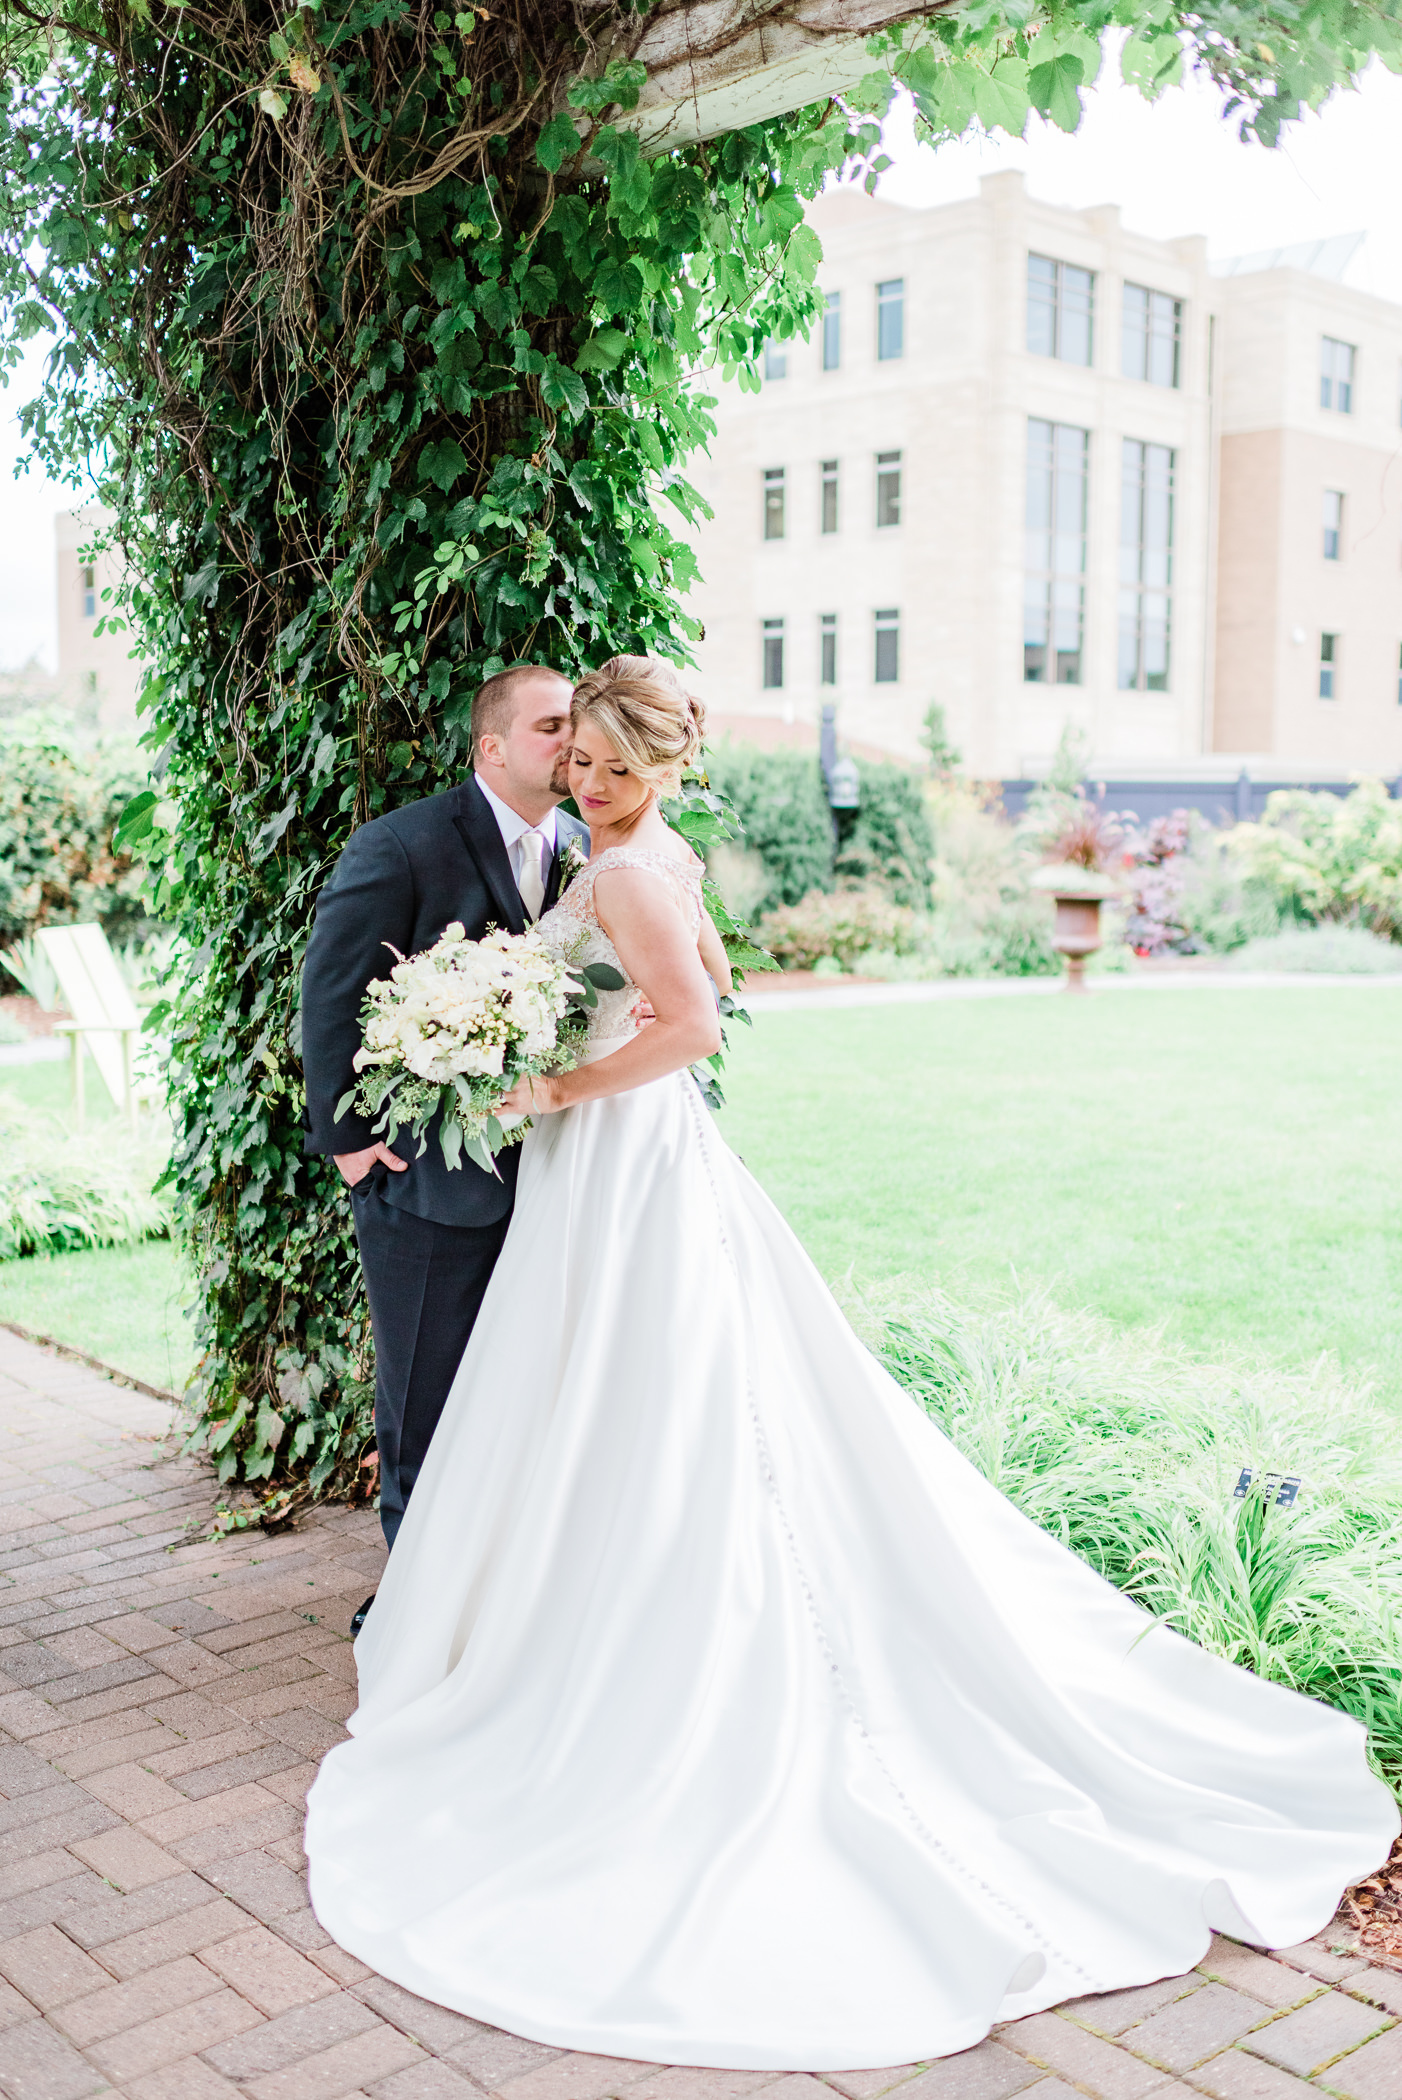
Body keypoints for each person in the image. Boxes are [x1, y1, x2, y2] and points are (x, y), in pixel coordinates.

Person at [304, 656, 1397, 2073]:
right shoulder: (638, 849)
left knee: (650, 1402)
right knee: (615, 1401)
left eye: (609, 770)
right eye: (576, 765)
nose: (584, 785)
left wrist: (557, 1080)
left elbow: (691, 1024)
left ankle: (635, 1650)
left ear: (659, 767)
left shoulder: (628, 869)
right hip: (619, 1172)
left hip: (620, 1158)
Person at [299, 664, 589, 1587]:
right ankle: (415, 1608)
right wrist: (349, 1149)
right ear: (492, 746)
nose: (571, 745)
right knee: (424, 1402)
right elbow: (332, 998)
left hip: (562, 1178)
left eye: (577, 728)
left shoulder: (593, 850)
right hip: (426, 1185)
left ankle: (505, 1601)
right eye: (551, 728)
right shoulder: (403, 845)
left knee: (533, 1398)